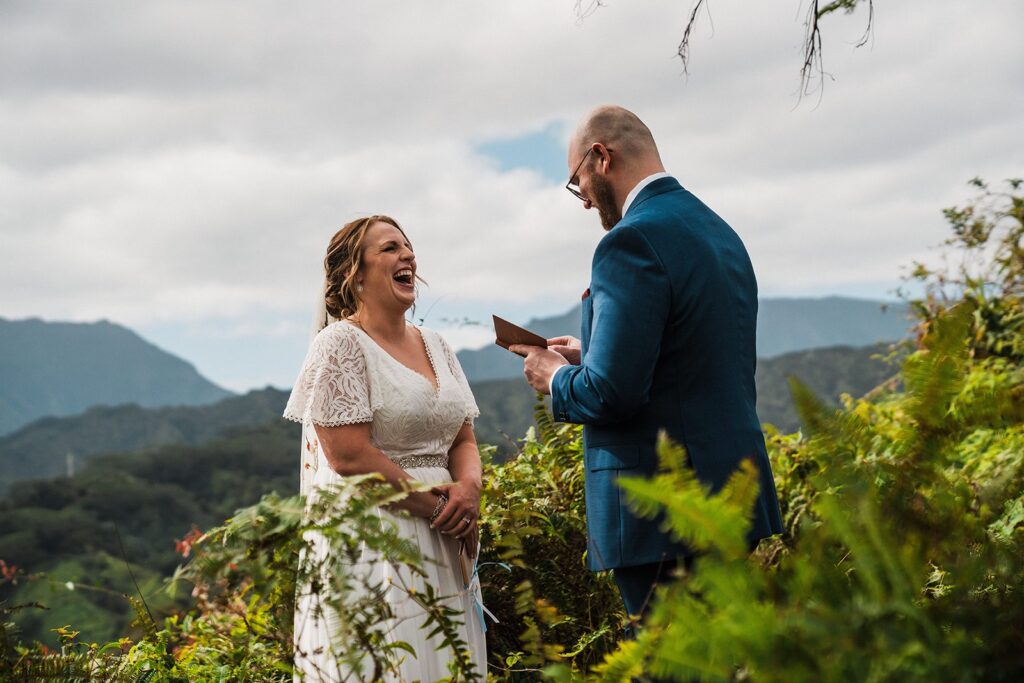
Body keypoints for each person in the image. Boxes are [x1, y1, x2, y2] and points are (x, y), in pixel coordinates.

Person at [512, 105, 784, 622]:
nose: (584, 200)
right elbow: (689, 355)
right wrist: (589, 353)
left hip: (662, 514)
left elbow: (611, 392)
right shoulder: (719, 231)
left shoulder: (628, 242)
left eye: (577, 183)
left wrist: (556, 376)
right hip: (730, 497)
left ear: (600, 157)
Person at [283, 215, 487, 681]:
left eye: (409, 247)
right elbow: (348, 454)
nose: (408, 256)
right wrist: (439, 507)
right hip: (379, 534)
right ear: (355, 275)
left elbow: (463, 437)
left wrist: (469, 491)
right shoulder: (339, 345)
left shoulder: (437, 345)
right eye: (391, 249)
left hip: (449, 529)